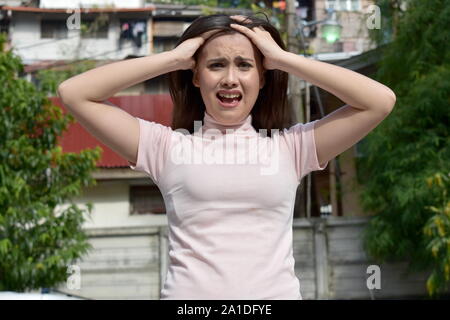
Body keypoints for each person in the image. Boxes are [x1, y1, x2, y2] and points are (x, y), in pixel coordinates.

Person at [57, 13, 396, 300]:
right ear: (196, 76)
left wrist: (280, 58)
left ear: (261, 77)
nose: (230, 79)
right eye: (216, 65)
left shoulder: (291, 148)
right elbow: (74, 93)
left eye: (244, 65)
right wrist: (174, 58)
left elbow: (379, 101)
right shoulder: (166, 147)